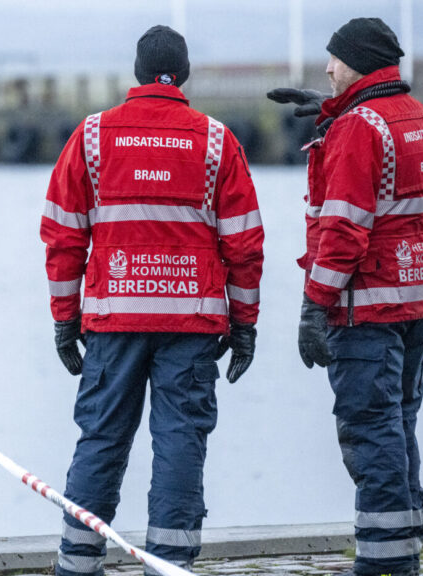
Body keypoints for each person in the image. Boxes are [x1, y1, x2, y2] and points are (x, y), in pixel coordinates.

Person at [40, 24, 264, 576]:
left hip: (113, 323)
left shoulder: (91, 137)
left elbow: (62, 235)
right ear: (182, 74)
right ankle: (169, 565)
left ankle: (77, 561)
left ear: (138, 73)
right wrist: (245, 326)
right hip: (190, 325)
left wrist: (65, 322)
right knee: (180, 442)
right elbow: (244, 243)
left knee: (101, 439)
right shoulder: (215, 141)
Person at [267, 17, 423, 576]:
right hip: (414, 299)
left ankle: (384, 564)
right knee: (399, 424)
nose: (327, 67)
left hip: (364, 305)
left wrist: (313, 306)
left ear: (360, 63)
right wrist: (335, 108)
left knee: (370, 431)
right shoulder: (415, 115)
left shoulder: (357, 128)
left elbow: (343, 228)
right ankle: (404, 548)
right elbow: (387, 173)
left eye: (335, 60)